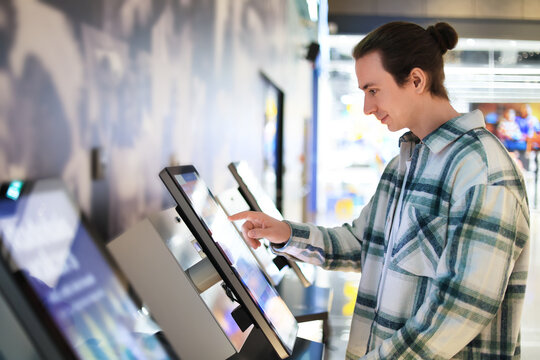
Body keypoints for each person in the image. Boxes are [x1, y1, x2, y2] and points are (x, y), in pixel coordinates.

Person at [230, 21, 530, 359]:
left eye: (373, 90)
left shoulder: (482, 170)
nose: (367, 107)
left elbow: (461, 308)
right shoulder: (403, 165)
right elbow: (362, 244)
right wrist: (284, 232)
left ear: (416, 80)